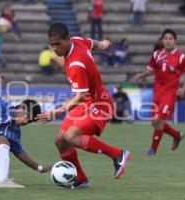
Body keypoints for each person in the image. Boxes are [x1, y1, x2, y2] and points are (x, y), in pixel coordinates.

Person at [36, 23, 131, 189]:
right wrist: (102, 44)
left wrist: (56, 112)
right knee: (60, 141)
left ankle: (118, 155)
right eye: (52, 45)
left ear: (67, 39)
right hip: (88, 103)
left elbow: (79, 97)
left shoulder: (76, 65)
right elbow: (92, 43)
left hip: (100, 104)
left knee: (70, 137)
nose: (55, 49)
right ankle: (80, 180)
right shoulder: (77, 41)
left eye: (58, 44)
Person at [135, 29, 185, 156]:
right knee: (154, 122)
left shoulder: (180, 57)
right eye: (165, 38)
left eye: (170, 38)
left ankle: (153, 150)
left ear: (175, 41)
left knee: (158, 120)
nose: (168, 40)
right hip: (157, 93)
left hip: (170, 94)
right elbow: (152, 69)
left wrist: (183, 88)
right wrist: (142, 75)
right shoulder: (157, 54)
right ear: (162, 41)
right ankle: (177, 135)